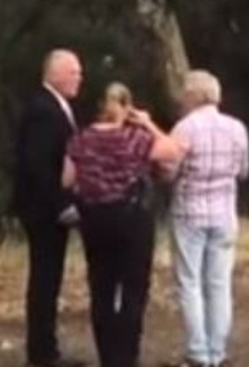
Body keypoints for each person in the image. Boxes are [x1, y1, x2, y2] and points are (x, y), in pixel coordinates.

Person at [63, 82, 183, 367]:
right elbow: (172, 151)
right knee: (133, 288)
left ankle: (107, 356)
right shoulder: (134, 138)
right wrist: (148, 123)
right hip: (131, 218)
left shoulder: (80, 139)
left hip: (94, 218)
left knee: (101, 287)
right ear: (126, 107)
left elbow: (66, 180)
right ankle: (127, 356)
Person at [165, 70, 249, 367]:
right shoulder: (237, 128)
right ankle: (218, 351)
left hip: (189, 211)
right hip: (224, 212)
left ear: (192, 96)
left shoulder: (184, 128)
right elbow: (243, 170)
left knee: (189, 282)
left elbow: (169, 169)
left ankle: (198, 352)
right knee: (219, 283)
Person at [13, 49, 84, 367]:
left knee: (49, 279)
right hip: (44, 211)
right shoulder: (44, 109)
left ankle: (46, 348)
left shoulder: (55, 106)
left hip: (46, 208)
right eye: (73, 72)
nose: (79, 78)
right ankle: (42, 353)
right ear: (54, 73)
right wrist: (61, 204)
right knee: (44, 280)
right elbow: (38, 165)